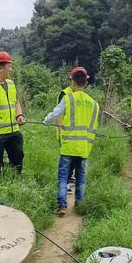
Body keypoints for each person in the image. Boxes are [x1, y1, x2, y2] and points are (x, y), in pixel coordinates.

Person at [44, 67, 100, 216]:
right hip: (84, 148)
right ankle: (80, 205)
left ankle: (62, 205)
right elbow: (93, 127)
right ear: (86, 84)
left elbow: (56, 113)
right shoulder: (94, 104)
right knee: (81, 179)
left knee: (63, 177)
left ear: (73, 83)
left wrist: (45, 121)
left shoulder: (68, 98)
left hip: (68, 146)